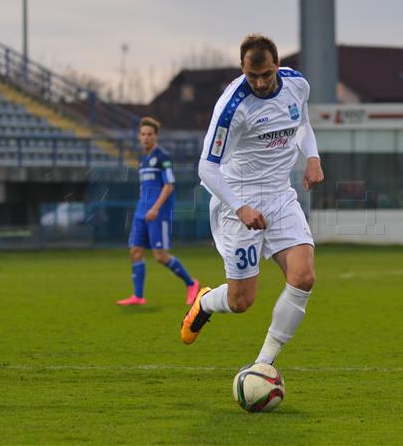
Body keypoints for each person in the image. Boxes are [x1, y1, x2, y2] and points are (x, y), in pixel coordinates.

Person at [180, 34, 324, 368]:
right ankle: (204, 303)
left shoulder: (297, 85)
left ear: (277, 65)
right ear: (243, 69)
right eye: (251, 76)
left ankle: (263, 365)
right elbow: (206, 168)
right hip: (239, 198)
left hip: (280, 196)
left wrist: (313, 157)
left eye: (266, 74)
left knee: (303, 277)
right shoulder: (232, 108)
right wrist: (240, 208)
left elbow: (301, 124)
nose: (259, 82)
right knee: (241, 300)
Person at [117, 116, 200, 306]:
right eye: (143, 134)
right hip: (141, 211)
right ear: (139, 137)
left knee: (160, 256)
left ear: (156, 137)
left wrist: (155, 208)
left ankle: (191, 283)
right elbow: (144, 186)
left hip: (158, 213)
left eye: (149, 134)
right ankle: (138, 296)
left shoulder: (162, 157)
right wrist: (143, 203)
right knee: (135, 251)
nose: (146, 138)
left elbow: (169, 185)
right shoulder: (143, 159)